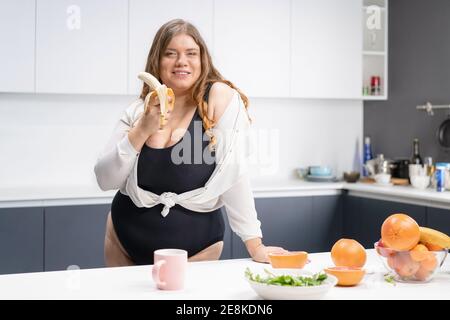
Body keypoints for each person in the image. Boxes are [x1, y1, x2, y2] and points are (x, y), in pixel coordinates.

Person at [94, 19, 286, 267]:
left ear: (202, 60)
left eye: (191, 54)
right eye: (170, 54)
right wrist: (142, 130)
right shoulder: (138, 111)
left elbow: (234, 173)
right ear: (157, 61)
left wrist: (255, 244)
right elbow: (104, 179)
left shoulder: (218, 99)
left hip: (198, 251)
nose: (181, 61)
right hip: (123, 244)